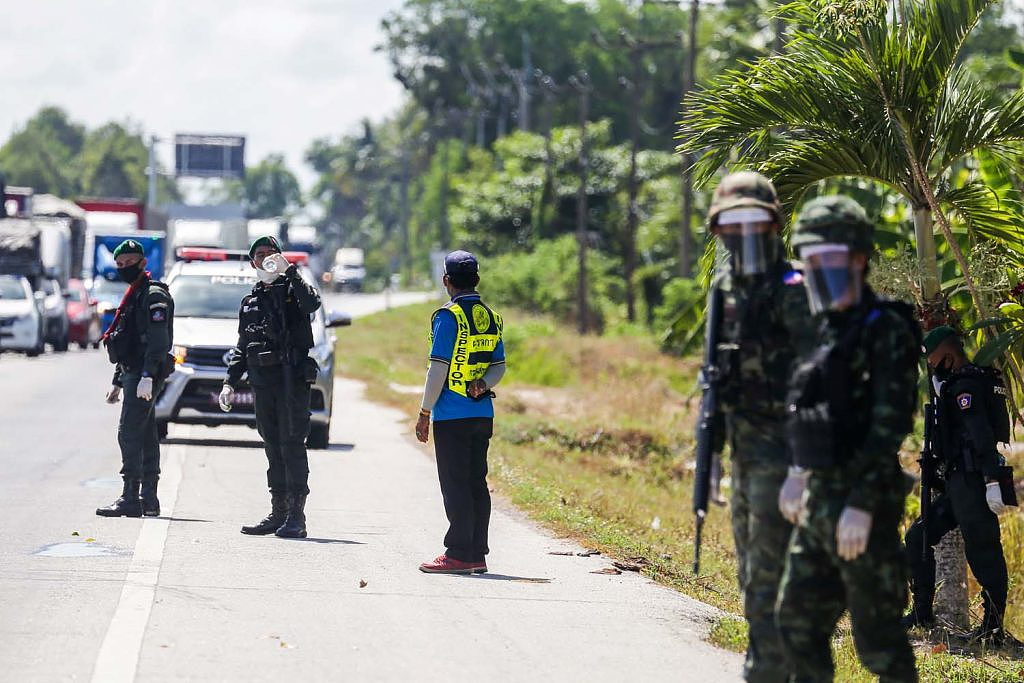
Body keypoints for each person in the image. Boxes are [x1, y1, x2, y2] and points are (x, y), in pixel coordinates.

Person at [776, 195, 919, 682]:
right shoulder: (824, 330)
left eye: (829, 258)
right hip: (818, 503)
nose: (818, 270)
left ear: (859, 259)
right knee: (796, 623)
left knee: (880, 643)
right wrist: (797, 472)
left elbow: (888, 426)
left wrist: (861, 503)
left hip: (866, 508)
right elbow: (810, 408)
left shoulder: (887, 328)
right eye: (809, 260)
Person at [701, 171, 815, 683]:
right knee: (752, 579)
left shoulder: (795, 291)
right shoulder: (724, 289)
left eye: (754, 222)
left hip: (787, 457)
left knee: (771, 589)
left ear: (773, 226)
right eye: (733, 223)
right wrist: (712, 458)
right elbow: (718, 382)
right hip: (746, 458)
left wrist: (803, 465)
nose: (743, 235)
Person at [903, 326, 1013, 643]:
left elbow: (981, 435)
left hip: (974, 481)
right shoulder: (954, 385)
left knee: (984, 552)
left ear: (948, 355)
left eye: (935, 360)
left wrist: (992, 479)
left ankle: (993, 629)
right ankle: (922, 614)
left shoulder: (966, 386)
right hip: (957, 483)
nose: (932, 368)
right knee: (918, 536)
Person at [220, 236, 321, 539]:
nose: (265, 259)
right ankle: (278, 512)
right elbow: (242, 346)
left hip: (291, 381)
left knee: (292, 445)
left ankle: (296, 516)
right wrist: (228, 382)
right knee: (272, 446)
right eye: (259, 255)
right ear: (252, 262)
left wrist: (290, 272)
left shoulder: (293, 291)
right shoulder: (250, 302)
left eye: (271, 254)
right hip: (263, 384)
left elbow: (313, 302)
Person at [415, 250, 506, 575]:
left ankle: (458, 553)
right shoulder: (490, 316)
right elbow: (499, 367)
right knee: (475, 482)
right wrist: (482, 383)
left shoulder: (448, 317)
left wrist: (425, 411)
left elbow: (438, 368)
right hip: (483, 414)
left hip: (452, 415)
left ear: (446, 281)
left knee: (455, 485)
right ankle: (476, 552)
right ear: (477, 280)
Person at [96, 239, 175, 518]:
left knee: (129, 432)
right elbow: (128, 340)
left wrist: (146, 376)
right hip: (133, 372)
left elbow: (157, 341)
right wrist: (118, 381)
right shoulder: (135, 294)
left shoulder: (153, 296)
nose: (124, 268)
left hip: (146, 373)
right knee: (146, 433)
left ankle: (131, 496)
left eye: (130, 263)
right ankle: (148, 499)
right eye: (119, 264)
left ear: (143, 263)